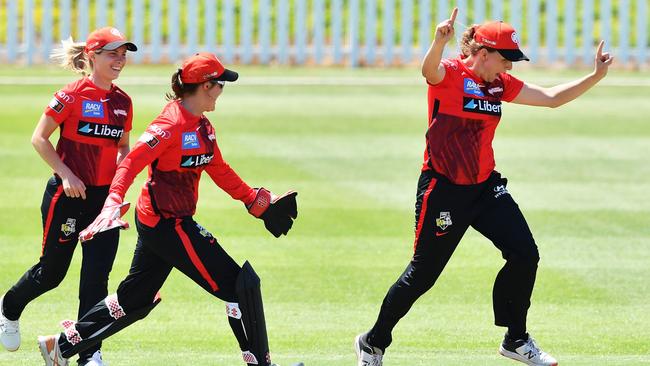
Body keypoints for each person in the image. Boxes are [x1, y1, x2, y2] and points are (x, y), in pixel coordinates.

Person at [355, 7, 613, 366]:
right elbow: (429, 71)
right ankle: (373, 342)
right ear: (483, 53)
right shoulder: (449, 74)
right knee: (422, 274)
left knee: (525, 254)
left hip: (485, 187)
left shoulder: (499, 85)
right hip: (443, 187)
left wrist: (596, 76)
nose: (510, 66)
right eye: (505, 59)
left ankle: (516, 339)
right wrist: (437, 42)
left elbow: (551, 98)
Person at [36, 52, 299, 366]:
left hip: (167, 222)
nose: (221, 92)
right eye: (220, 85)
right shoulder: (169, 125)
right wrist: (111, 202)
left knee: (134, 298)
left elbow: (220, 170)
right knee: (240, 285)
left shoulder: (203, 127)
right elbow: (130, 163)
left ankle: (60, 347)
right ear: (205, 86)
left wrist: (256, 203)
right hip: (166, 224)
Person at [0, 27, 137, 366]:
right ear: (91, 56)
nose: (120, 59)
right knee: (52, 273)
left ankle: (90, 352)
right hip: (68, 197)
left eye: (123, 53)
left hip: (105, 203)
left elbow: (123, 148)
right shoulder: (72, 95)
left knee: (95, 278)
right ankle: (9, 307)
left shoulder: (123, 102)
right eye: (112, 53)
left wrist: (117, 192)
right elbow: (39, 138)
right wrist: (65, 173)